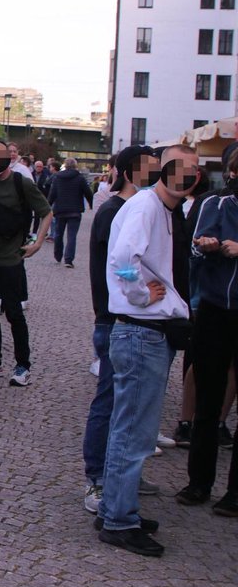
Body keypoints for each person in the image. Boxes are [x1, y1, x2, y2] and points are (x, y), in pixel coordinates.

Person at [97, 144, 199, 557]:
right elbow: (122, 257)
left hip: (147, 334)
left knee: (131, 429)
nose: (189, 175)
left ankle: (116, 510)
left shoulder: (161, 210)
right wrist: (139, 294)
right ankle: (119, 520)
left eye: (194, 169)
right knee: (132, 432)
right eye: (182, 168)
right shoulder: (146, 206)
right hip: (140, 333)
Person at [80, 145, 161, 516]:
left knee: (126, 405)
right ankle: (98, 478)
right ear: (130, 172)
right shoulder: (116, 210)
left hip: (125, 319)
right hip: (114, 320)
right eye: (153, 170)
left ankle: (119, 475)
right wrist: (142, 294)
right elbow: (122, 266)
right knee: (110, 402)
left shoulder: (139, 207)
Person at [176, 142, 238, 517]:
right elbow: (192, 252)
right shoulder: (214, 204)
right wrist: (207, 246)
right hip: (215, 310)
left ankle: (235, 493)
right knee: (207, 399)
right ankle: (199, 481)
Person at [0, 140, 51, 387]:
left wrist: (37, 243)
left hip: (9, 259)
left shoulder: (21, 183)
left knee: (13, 313)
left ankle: (23, 364)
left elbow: (46, 211)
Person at [47, 157, 94, 268]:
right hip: (75, 211)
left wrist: (48, 206)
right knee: (71, 236)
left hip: (60, 210)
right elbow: (88, 193)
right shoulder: (80, 178)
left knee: (58, 234)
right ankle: (68, 260)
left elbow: (52, 194)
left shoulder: (57, 177)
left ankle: (58, 255)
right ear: (75, 166)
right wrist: (92, 205)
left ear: (65, 166)